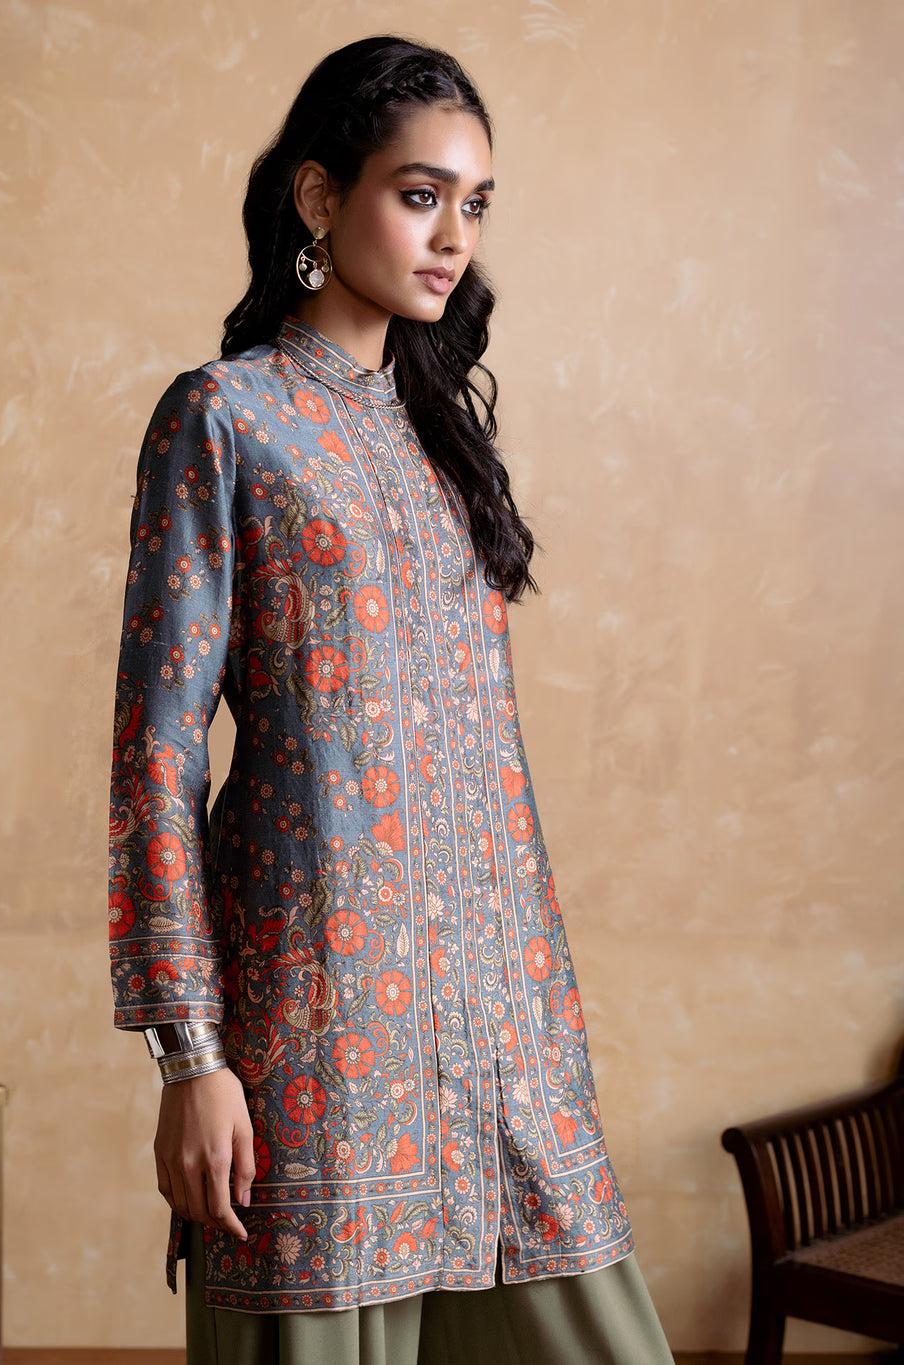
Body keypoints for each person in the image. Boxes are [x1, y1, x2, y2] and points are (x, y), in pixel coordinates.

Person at [108, 34, 674, 1365]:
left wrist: (534, 1025)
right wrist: (191, 1054)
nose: (452, 237)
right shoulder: (226, 420)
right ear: (320, 199)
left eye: (473, 206)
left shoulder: (436, 447)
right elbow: (156, 756)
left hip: (505, 1043)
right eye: (420, 195)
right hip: (320, 1048)